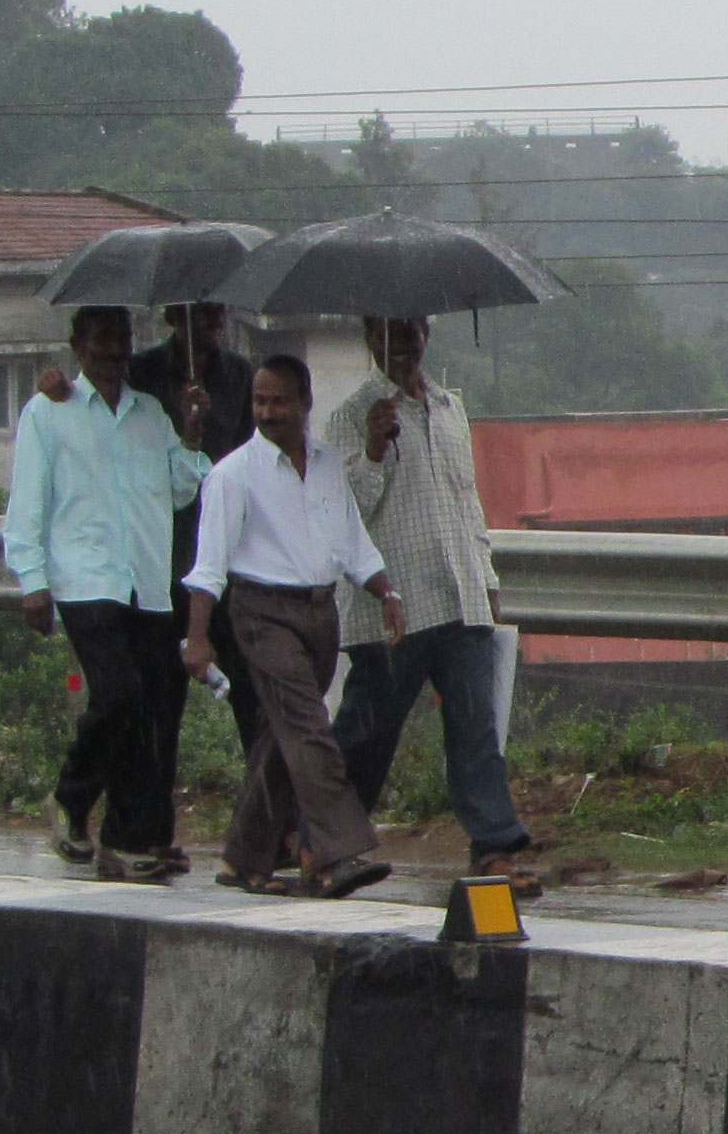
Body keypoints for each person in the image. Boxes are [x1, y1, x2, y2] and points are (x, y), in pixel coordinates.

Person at [323, 315, 540, 884]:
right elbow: (344, 512)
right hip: (392, 603)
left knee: (475, 726)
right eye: (387, 336)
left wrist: (487, 579)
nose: (401, 347)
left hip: (459, 592)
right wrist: (373, 448)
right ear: (370, 340)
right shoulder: (349, 416)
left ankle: (493, 848)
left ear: (426, 334)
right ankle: (321, 837)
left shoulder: (449, 408)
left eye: (410, 333)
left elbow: (467, 500)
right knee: (368, 731)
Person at [182, 354, 402, 898]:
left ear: (305, 403)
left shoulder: (328, 463)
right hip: (261, 614)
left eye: (279, 400)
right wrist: (199, 637)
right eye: (259, 401)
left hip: (319, 613)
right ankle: (334, 854)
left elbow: (351, 539)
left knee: (279, 740)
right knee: (308, 728)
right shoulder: (231, 474)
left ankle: (242, 860)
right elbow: (208, 567)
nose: (268, 411)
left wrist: (385, 591)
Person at [2, 304, 209, 881]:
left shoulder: (149, 413)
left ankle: (124, 837)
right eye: (101, 338)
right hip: (84, 578)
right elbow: (29, 500)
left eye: (121, 337)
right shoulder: (50, 412)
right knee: (118, 694)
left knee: (142, 708)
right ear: (77, 345)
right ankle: (72, 796)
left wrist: (191, 436)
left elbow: (177, 491)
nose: (113, 350)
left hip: (145, 581)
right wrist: (33, 581)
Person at [133, 301, 266, 764]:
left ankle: (268, 815)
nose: (216, 319)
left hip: (227, 560)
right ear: (175, 316)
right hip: (163, 557)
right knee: (159, 703)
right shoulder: (143, 374)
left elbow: (257, 457)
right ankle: (152, 826)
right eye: (203, 312)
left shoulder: (240, 375)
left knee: (252, 695)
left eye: (219, 310)